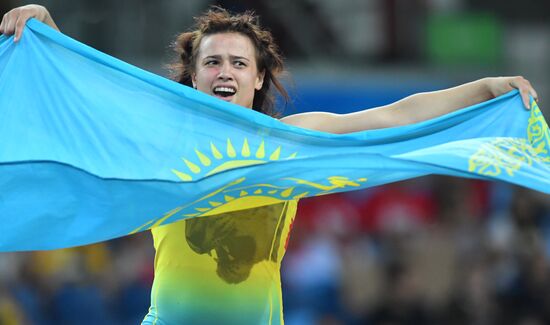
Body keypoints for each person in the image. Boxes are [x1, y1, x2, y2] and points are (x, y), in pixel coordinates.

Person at [0, 4, 540, 325]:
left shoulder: (290, 140)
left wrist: (485, 88)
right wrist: (48, 28)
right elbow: (87, 96)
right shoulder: (159, 140)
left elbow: (389, 117)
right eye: (211, 61)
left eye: (239, 62)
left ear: (258, 79)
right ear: (193, 76)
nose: (224, 70)